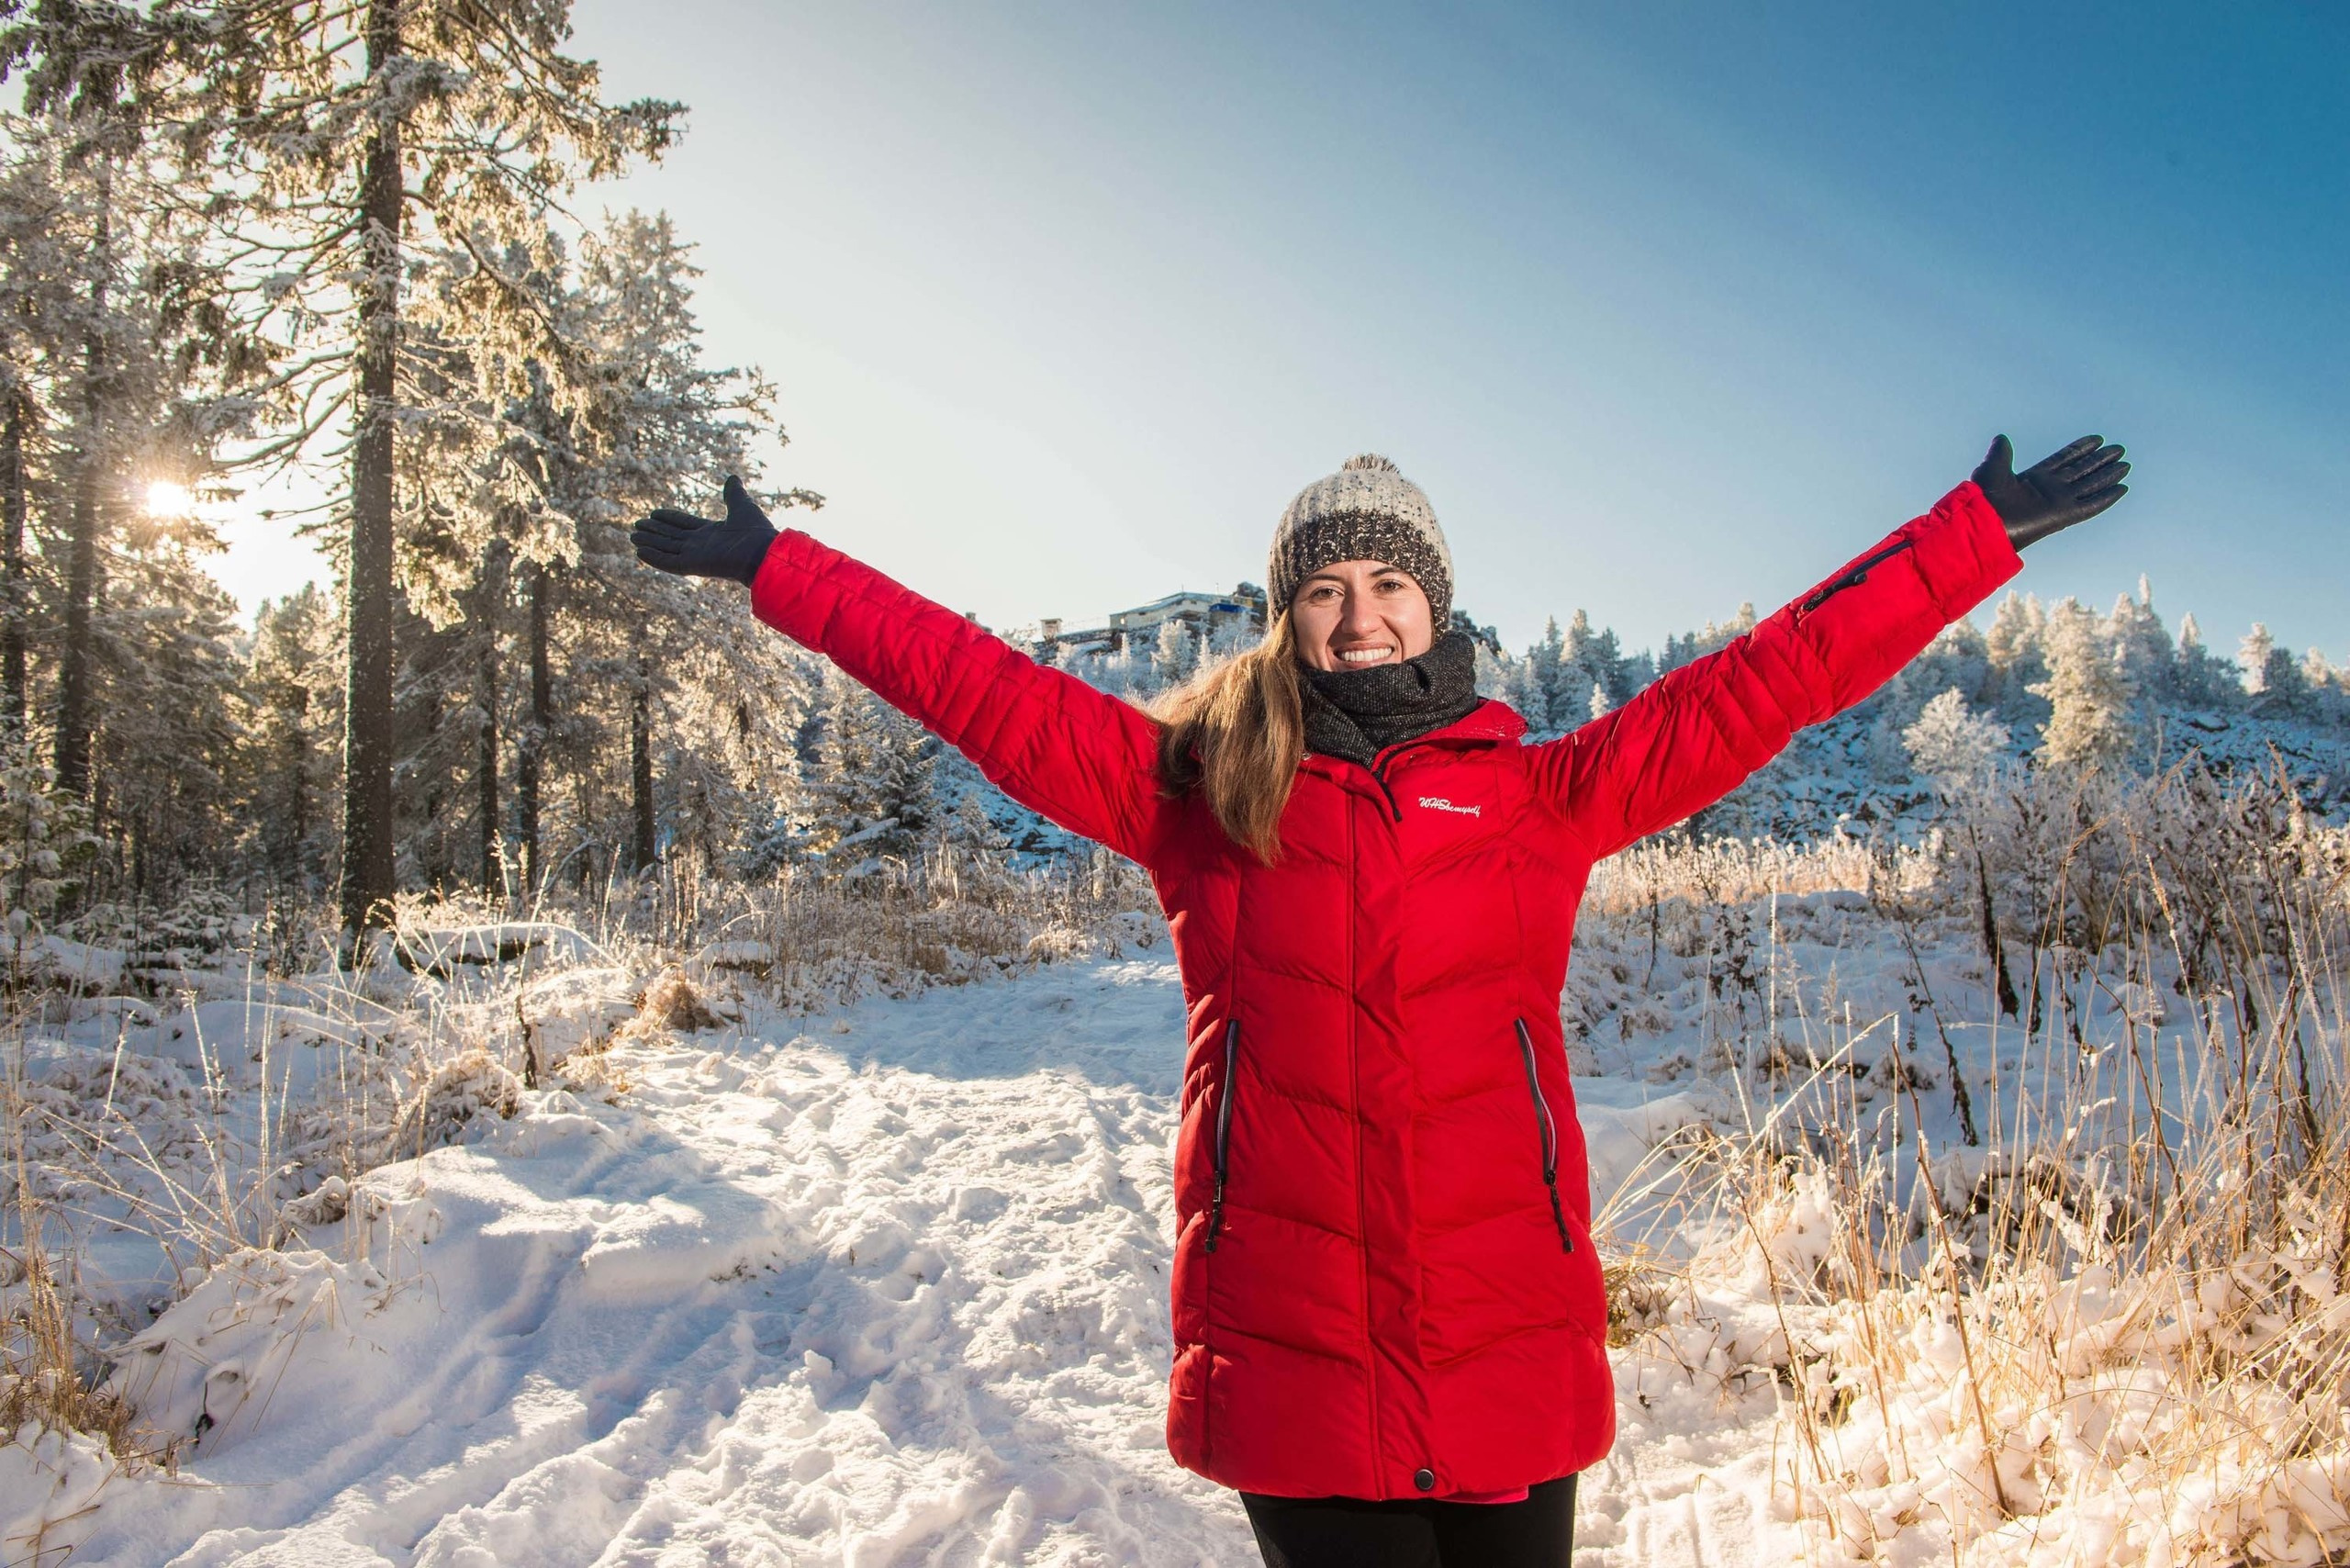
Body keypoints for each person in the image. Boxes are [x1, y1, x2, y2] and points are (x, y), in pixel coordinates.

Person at [632, 434, 2128, 1567]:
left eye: (1389, 585)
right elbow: (980, 687)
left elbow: (1762, 681)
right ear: (1287, 617)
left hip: (1504, 1324)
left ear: (1437, 604)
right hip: (1289, 1337)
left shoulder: (1541, 797)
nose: (1360, 617)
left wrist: (1967, 539)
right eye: (1326, 590)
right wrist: (786, 573)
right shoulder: (1199, 792)